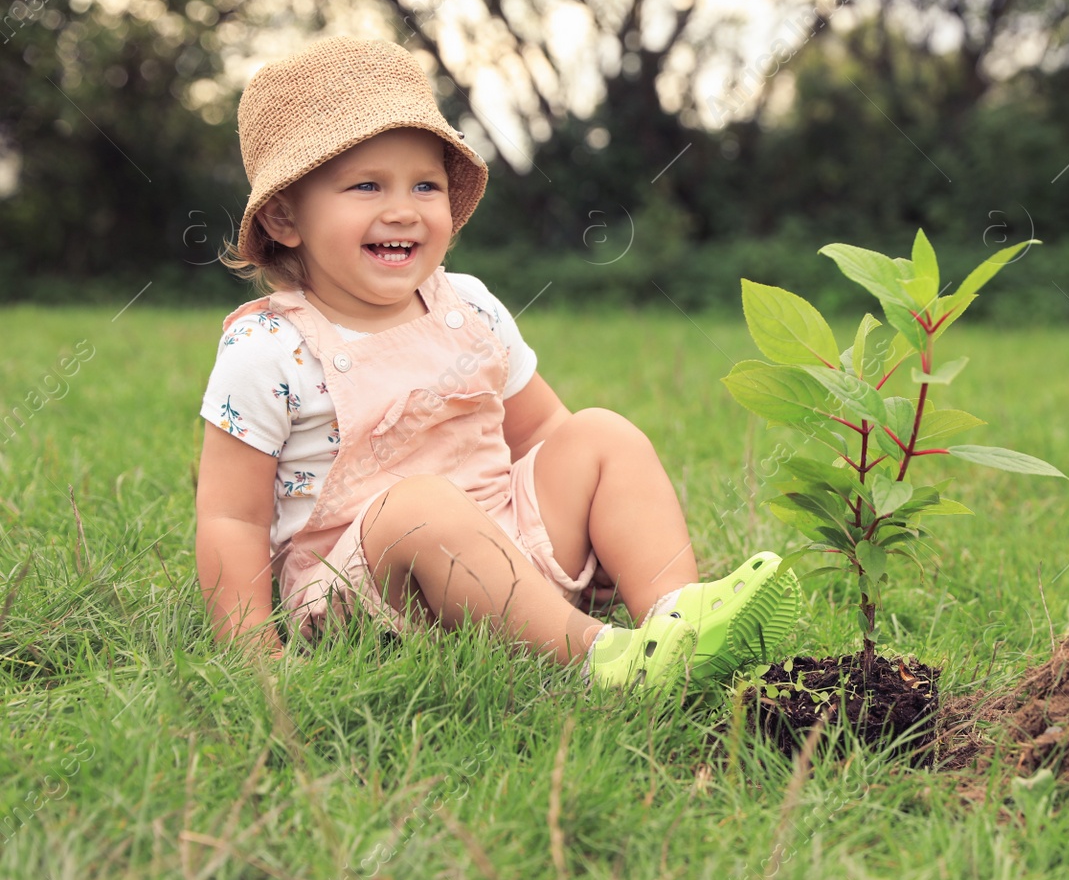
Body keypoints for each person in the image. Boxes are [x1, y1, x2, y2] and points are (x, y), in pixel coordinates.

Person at [193, 36, 800, 690]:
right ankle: (604, 658)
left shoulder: (470, 306)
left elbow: (543, 432)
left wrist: (592, 523)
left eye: (424, 184)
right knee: (423, 505)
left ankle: (676, 619)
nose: (402, 208)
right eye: (366, 185)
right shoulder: (269, 348)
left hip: (505, 551)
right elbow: (233, 518)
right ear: (285, 217)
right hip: (366, 598)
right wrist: (254, 651)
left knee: (600, 434)